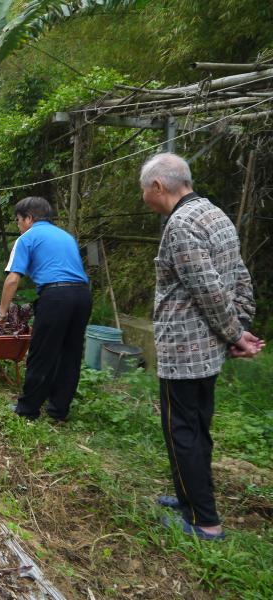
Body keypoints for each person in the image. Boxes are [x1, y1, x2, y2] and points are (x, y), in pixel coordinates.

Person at [139, 152, 264, 541]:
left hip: (185, 351)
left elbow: (207, 290)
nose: (144, 198)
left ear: (157, 186)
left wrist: (235, 334)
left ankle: (204, 522)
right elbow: (240, 277)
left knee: (182, 430)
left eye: (144, 190)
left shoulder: (180, 225)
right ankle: (189, 499)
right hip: (207, 349)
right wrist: (239, 327)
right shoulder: (215, 214)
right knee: (196, 427)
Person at [0, 196, 91, 422]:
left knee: (41, 353)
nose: (18, 225)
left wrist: (2, 314)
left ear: (29, 218)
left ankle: (27, 410)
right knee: (71, 354)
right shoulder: (66, 236)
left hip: (56, 297)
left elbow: (12, 280)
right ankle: (58, 410)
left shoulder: (27, 238)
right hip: (83, 296)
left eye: (18, 220)